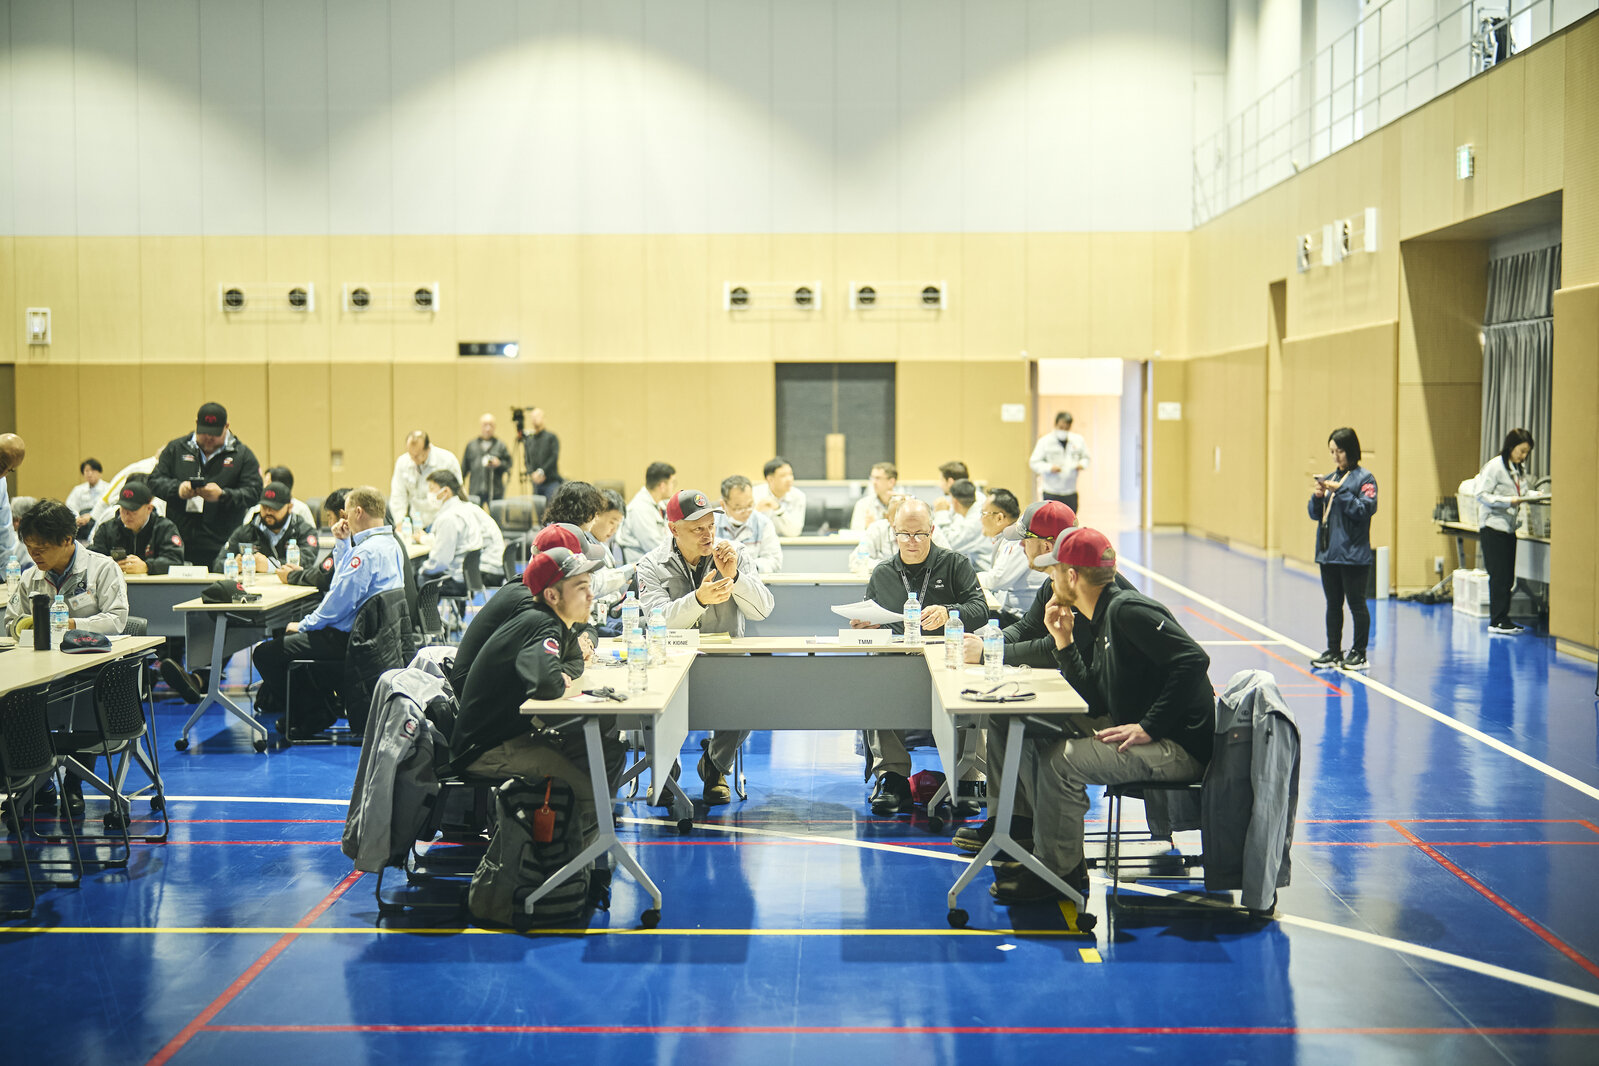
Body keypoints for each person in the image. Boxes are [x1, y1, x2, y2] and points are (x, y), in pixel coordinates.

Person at [988, 527, 1214, 904]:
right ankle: (1060, 856)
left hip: (1178, 747)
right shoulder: (1102, 614)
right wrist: (1063, 642)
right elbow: (1093, 699)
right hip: (1146, 729)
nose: (1050, 579)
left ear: (1071, 576)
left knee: (1061, 762)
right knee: (1028, 727)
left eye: (1054, 571)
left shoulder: (1127, 610)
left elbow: (1193, 660)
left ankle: (1056, 873)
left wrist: (1150, 726)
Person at [449, 543, 623, 851]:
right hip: (488, 748)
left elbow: (573, 663)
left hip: (514, 734)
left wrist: (561, 672)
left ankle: (579, 851)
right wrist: (557, 676)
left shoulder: (556, 621)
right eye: (580, 587)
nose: (590, 595)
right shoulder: (540, 622)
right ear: (553, 595)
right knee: (587, 790)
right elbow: (546, 684)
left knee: (610, 752)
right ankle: (559, 866)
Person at [636, 489, 774, 805]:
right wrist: (698, 600)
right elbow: (657, 620)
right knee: (653, 698)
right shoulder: (651, 564)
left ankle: (715, 765)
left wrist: (735, 577)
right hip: (671, 663)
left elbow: (763, 610)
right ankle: (666, 772)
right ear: (673, 529)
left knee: (752, 697)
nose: (708, 534)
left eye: (711, 525)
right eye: (697, 528)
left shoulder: (734, 554)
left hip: (725, 662)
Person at [856, 498, 987, 815]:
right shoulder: (883, 572)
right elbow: (873, 616)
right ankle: (892, 778)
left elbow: (980, 609)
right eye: (904, 534)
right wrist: (866, 624)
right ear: (894, 532)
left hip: (948, 657)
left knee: (966, 693)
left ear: (932, 530)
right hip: (899, 660)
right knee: (876, 685)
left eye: (920, 534)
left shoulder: (955, 564)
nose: (912, 542)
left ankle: (968, 779)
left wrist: (949, 611)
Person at [252, 486, 406, 737]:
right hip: (378, 636)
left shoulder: (366, 552)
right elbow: (341, 585)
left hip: (351, 639)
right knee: (289, 640)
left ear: (358, 512)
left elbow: (338, 603)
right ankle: (319, 707)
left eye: (347, 512)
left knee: (266, 653)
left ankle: (314, 712)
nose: (345, 518)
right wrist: (343, 543)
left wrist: (304, 625)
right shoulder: (390, 544)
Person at [450, 522, 607, 691]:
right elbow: (545, 676)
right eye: (581, 584)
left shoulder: (544, 596)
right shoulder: (532, 604)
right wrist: (562, 664)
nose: (590, 594)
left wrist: (583, 642)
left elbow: (579, 645)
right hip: (480, 692)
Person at [148, 403, 264, 567]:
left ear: (226, 427)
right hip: (179, 543)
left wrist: (223, 495)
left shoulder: (242, 455)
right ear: (196, 424)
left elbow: (255, 493)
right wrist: (178, 490)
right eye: (204, 432)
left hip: (223, 545)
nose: (209, 437)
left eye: (215, 434)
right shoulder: (176, 449)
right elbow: (153, 481)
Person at [3, 499, 128, 638]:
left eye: (41, 549)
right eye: (29, 548)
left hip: (92, 648)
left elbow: (116, 619)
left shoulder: (103, 569)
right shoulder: (29, 577)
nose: (33, 555)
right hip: (43, 649)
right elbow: (11, 622)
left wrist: (69, 625)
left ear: (67, 540)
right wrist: (23, 627)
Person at [1308, 427, 1378, 672]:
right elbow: (1315, 514)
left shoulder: (1365, 479)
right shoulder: (1331, 477)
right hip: (1329, 553)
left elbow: (1364, 509)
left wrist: (1341, 492)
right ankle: (1333, 650)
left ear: (1350, 450)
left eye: (1339, 451)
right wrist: (1318, 497)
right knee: (1333, 604)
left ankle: (1359, 653)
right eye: (1332, 452)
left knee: (1356, 604)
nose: (1335, 456)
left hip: (1353, 555)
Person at [1475, 428, 1539, 636]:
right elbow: (1481, 494)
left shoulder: (1518, 469)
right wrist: (1506, 502)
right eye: (1521, 451)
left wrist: (1536, 495)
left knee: (1508, 577)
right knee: (1499, 577)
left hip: (1509, 528)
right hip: (1493, 527)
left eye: (1527, 452)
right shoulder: (1495, 467)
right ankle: (1496, 620)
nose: (1524, 456)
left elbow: (1521, 492)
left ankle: (1504, 618)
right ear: (1511, 447)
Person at [213, 481, 320, 575]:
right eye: (264, 507)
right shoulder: (246, 531)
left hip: (293, 589)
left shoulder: (304, 531)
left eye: (274, 508)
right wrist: (233, 565)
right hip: (255, 588)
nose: (268, 512)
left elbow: (306, 561)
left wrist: (270, 565)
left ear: (289, 507)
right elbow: (218, 564)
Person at [974, 488, 1044, 622]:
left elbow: (997, 580)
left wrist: (968, 578)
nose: (980, 519)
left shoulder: (1018, 540)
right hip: (1012, 613)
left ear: (999, 518)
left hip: (1021, 618)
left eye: (983, 513)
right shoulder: (1007, 538)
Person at [91, 480, 187, 577]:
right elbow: (92, 558)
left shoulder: (164, 528)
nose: (127, 515)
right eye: (123, 509)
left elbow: (175, 560)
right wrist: (109, 564)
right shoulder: (107, 529)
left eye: (133, 510)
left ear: (149, 508)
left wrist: (147, 567)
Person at [417, 470, 483, 596]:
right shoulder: (464, 509)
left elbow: (440, 562)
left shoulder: (448, 518)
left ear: (445, 491)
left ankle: (426, 611)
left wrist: (421, 569)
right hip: (469, 577)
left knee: (416, 577)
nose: (429, 494)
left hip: (455, 581)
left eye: (432, 489)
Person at [389, 430, 461, 530]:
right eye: (410, 454)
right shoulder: (403, 462)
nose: (413, 459)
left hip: (441, 519)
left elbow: (457, 493)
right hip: (416, 521)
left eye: (417, 455)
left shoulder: (447, 460)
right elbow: (398, 495)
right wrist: (400, 522)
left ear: (428, 448)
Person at [716, 475, 782, 574]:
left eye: (749, 505)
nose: (746, 512)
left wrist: (746, 566)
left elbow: (774, 561)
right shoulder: (711, 523)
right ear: (723, 505)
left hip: (753, 580)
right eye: (738, 508)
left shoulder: (763, 523)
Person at [1029, 411, 1091, 512]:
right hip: (1051, 491)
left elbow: (1086, 458)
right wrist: (1049, 468)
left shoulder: (1078, 440)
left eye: (1067, 428)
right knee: (1051, 519)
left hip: (1070, 491)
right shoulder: (1045, 441)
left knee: (1070, 519)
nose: (1064, 430)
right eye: (1061, 427)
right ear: (1056, 424)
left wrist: (1081, 465)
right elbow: (1034, 462)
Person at [617, 462, 676, 559]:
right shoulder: (639, 509)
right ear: (662, 486)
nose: (673, 486)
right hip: (641, 563)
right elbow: (654, 546)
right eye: (672, 482)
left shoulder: (659, 504)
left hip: (658, 559)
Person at [932, 478, 991, 570]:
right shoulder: (977, 504)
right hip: (974, 561)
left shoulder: (973, 523)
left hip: (982, 567)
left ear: (955, 501)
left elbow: (947, 545)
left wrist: (941, 513)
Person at [243, 466, 317, 529]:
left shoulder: (301, 509)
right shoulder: (256, 510)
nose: (264, 487)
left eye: (268, 483)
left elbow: (311, 535)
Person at [463, 413, 513, 503]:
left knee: (496, 512)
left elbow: (509, 465)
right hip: (476, 490)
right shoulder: (471, 446)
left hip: (495, 491)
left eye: (491, 425)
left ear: (494, 427)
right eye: (485, 425)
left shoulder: (500, 445)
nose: (488, 428)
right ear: (481, 426)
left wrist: (499, 464)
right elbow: (464, 469)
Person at [753, 457, 807, 537]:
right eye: (783, 476)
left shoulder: (798, 496)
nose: (789, 479)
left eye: (791, 474)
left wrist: (778, 509)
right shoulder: (755, 494)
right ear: (770, 479)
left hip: (787, 542)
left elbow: (795, 532)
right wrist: (756, 510)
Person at [520, 407, 563, 501]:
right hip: (536, 483)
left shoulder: (551, 437)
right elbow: (527, 460)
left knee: (552, 506)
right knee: (537, 509)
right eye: (532, 417)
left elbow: (554, 457)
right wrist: (532, 474)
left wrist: (541, 471)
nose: (535, 419)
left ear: (543, 418)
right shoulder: (529, 440)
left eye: (537, 416)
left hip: (551, 482)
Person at [0, 434, 26, 570]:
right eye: (2, 465)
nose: (3, 472)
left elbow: (4, 527)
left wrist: (6, 571)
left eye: (9, 469)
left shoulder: (1, 483)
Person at [850, 462, 898, 530]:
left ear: (891, 482)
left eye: (878, 478)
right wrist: (867, 527)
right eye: (872, 478)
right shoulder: (863, 504)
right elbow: (855, 531)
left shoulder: (904, 505)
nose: (874, 482)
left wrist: (874, 526)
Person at [67, 458, 103, 537]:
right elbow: (70, 506)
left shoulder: (107, 488)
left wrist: (91, 516)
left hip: (99, 522)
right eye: (87, 471)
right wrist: (77, 518)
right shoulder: (78, 489)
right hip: (80, 524)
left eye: (93, 470)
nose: (90, 474)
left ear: (99, 472)